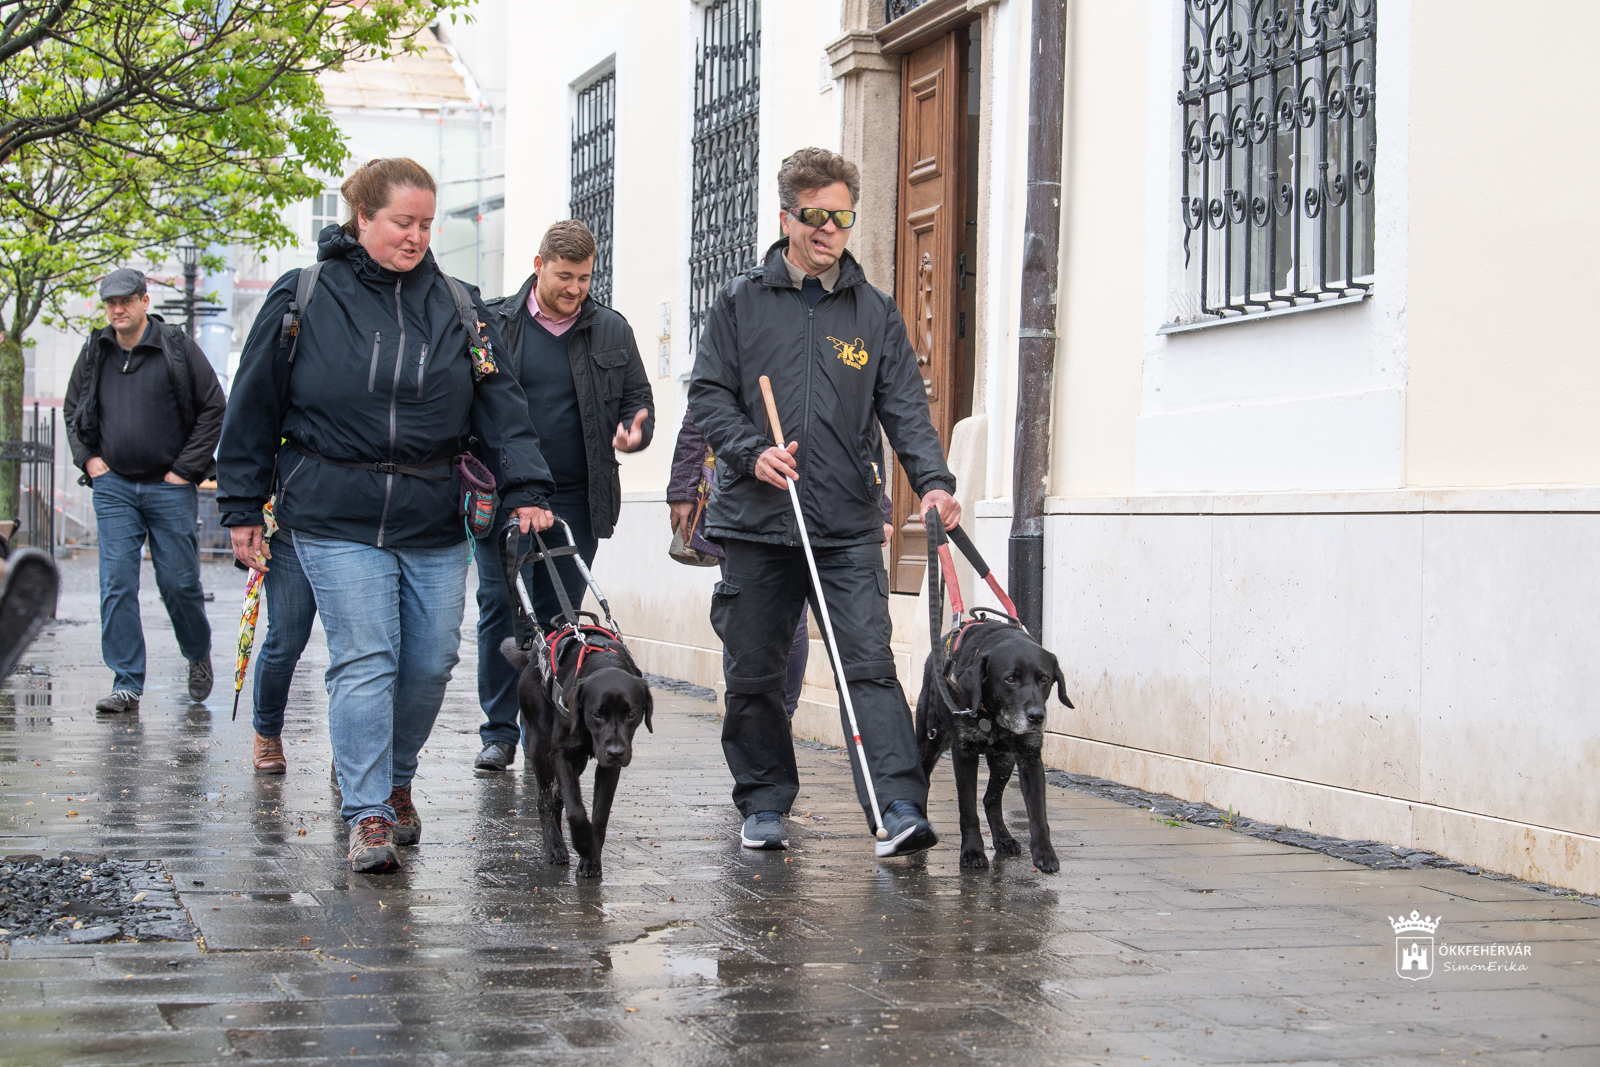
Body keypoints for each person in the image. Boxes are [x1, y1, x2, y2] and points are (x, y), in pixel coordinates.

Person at [217, 157, 557, 873]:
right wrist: (241, 505)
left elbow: (502, 406)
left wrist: (526, 486)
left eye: (427, 224)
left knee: (433, 658)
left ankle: (392, 774)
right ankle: (368, 811)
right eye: (403, 222)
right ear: (363, 217)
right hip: (333, 508)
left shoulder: (461, 305)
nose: (416, 236)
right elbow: (253, 405)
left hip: (434, 511)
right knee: (365, 655)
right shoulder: (303, 296)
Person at [688, 147, 961, 857]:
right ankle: (765, 800)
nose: (828, 230)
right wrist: (752, 450)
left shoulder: (871, 312)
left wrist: (933, 482)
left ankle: (898, 804)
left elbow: (904, 406)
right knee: (752, 671)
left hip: (843, 523)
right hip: (756, 520)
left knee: (868, 663)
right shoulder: (740, 302)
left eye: (841, 217)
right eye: (815, 216)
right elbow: (708, 394)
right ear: (786, 217)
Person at [470, 220, 654, 776]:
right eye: (564, 276)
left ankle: (545, 732)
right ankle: (499, 732)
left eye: (584, 278)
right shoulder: (495, 324)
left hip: (576, 499)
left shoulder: (611, 330)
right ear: (538, 265)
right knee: (499, 612)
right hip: (503, 496)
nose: (575, 288)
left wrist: (635, 429)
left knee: (559, 622)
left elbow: (638, 399)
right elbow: (474, 403)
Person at [63, 268, 226, 714]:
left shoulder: (174, 346)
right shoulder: (96, 351)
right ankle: (126, 682)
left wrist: (185, 471)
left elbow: (214, 406)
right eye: (110, 303)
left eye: (126, 301)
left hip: (168, 487)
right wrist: (90, 462)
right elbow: (72, 408)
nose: (117, 310)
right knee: (116, 583)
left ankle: (196, 653)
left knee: (179, 584)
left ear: (143, 301)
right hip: (114, 487)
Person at [669, 406, 896, 720]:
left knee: (794, 626)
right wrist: (682, 488)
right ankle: (749, 724)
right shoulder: (733, 356)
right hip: (742, 502)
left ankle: (781, 718)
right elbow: (703, 409)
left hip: (819, 500)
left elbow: (855, 424)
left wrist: (878, 505)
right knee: (745, 622)